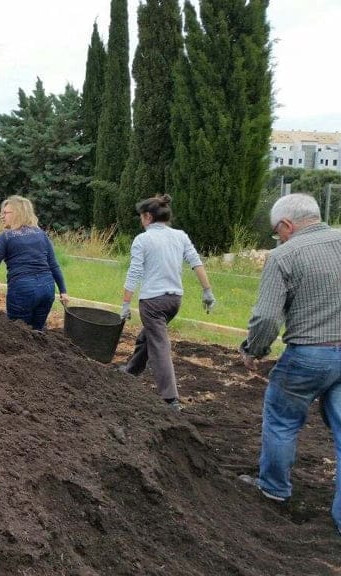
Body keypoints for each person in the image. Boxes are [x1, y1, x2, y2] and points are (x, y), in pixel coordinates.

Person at [237, 193, 341, 530]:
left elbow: (267, 317)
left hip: (309, 355)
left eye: (276, 232)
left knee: (282, 420)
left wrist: (254, 349)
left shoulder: (285, 255)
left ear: (287, 225)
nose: (278, 238)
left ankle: (274, 490)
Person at [118, 194, 215, 411]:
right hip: (174, 300)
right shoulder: (180, 236)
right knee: (148, 336)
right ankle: (131, 371)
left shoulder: (143, 240)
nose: (141, 221)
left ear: (148, 216)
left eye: (141, 217)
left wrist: (125, 304)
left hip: (152, 303)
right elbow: (196, 262)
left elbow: (134, 272)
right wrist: (207, 291)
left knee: (159, 345)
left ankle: (170, 398)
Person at [0, 195, 69, 330]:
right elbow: (53, 264)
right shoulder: (41, 234)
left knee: (17, 333)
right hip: (47, 289)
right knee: (38, 331)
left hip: (22, 290)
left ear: (17, 213)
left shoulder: (6, 237)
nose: (2, 216)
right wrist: (63, 291)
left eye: (6, 213)